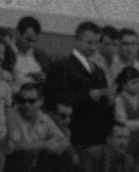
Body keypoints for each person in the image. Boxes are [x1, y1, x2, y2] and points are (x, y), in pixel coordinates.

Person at [47, 22, 115, 150]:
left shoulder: (99, 71)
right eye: (89, 43)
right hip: (74, 132)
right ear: (77, 40)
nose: (93, 47)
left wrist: (108, 100)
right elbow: (54, 99)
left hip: (97, 135)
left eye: (96, 43)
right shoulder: (62, 66)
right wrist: (87, 95)